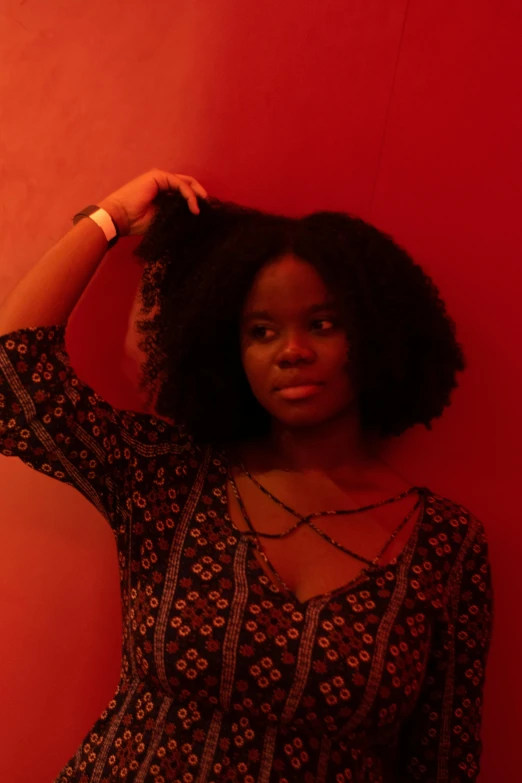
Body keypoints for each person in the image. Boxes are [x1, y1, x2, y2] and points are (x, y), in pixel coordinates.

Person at [0, 169, 493, 782]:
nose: (291, 350)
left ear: (377, 334)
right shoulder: (169, 477)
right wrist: (111, 218)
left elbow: (443, 760)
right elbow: (15, 379)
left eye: (323, 324)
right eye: (262, 331)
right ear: (229, 351)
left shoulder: (446, 546)